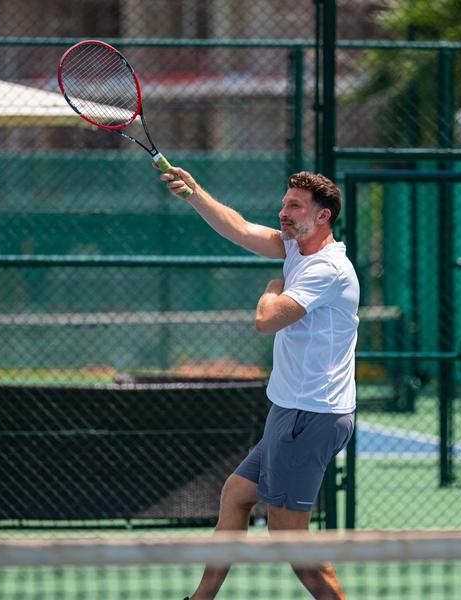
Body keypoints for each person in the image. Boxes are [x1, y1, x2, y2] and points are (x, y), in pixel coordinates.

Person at [160, 166, 359, 600]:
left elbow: (267, 320)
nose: (283, 212)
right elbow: (240, 228)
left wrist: (271, 289)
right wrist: (194, 192)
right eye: (284, 203)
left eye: (295, 206)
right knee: (236, 494)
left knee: (288, 535)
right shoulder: (295, 247)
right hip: (290, 411)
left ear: (322, 216)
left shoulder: (328, 269)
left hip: (312, 416)